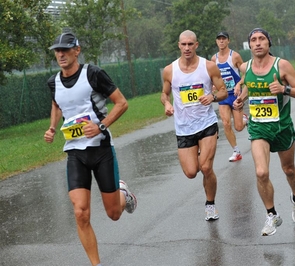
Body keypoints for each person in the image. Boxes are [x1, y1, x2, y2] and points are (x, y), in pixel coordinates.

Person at [43, 33, 137, 266]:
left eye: (65, 49)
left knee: (113, 214)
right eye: (57, 50)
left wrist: (101, 126)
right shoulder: (53, 82)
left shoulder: (93, 74)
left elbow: (122, 102)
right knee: (80, 212)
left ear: (77, 50)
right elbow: (57, 104)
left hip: (101, 149)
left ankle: (123, 193)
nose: (61, 54)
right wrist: (52, 128)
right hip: (75, 152)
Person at [233, 28, 295, 236]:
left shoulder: (281, 65)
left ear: (269, 43)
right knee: (261, 172)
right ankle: (272, 215)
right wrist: (242, 99)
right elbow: (249, 86)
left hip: (282, 127)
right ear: (250, 45)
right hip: (259, 127)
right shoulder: (245, 67)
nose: (257, 43)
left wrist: (284, 89)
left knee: (289, 170)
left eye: (262, 39)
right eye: (253, 40)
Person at [160, 30, 227, 221]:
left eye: (191, 44)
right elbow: (164, 94)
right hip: (184, 127)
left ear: (196, 45)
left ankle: (210, 204)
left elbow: (223, 92)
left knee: (205, 168)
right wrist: (166, 103)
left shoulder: (209, 66)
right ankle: (200, 155)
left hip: (206, 124)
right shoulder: (170, 70)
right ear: (179, 46)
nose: (187, 48)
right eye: (184, 44)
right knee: (191, 172)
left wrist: (212, 96)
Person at [211, 31, 247, 162]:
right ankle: (236, 151)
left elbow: (245, 73)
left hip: (236, 95)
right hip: (223, 96)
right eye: (219, 39)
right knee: (226, 123)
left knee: (238, 127)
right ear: (216, 42)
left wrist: (239, 84)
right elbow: (213, 77)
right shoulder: (213, 59)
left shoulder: (235, 56)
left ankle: (245, 120)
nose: (221, 41)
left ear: (228, 41)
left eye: (223, 39)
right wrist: (214, 86)